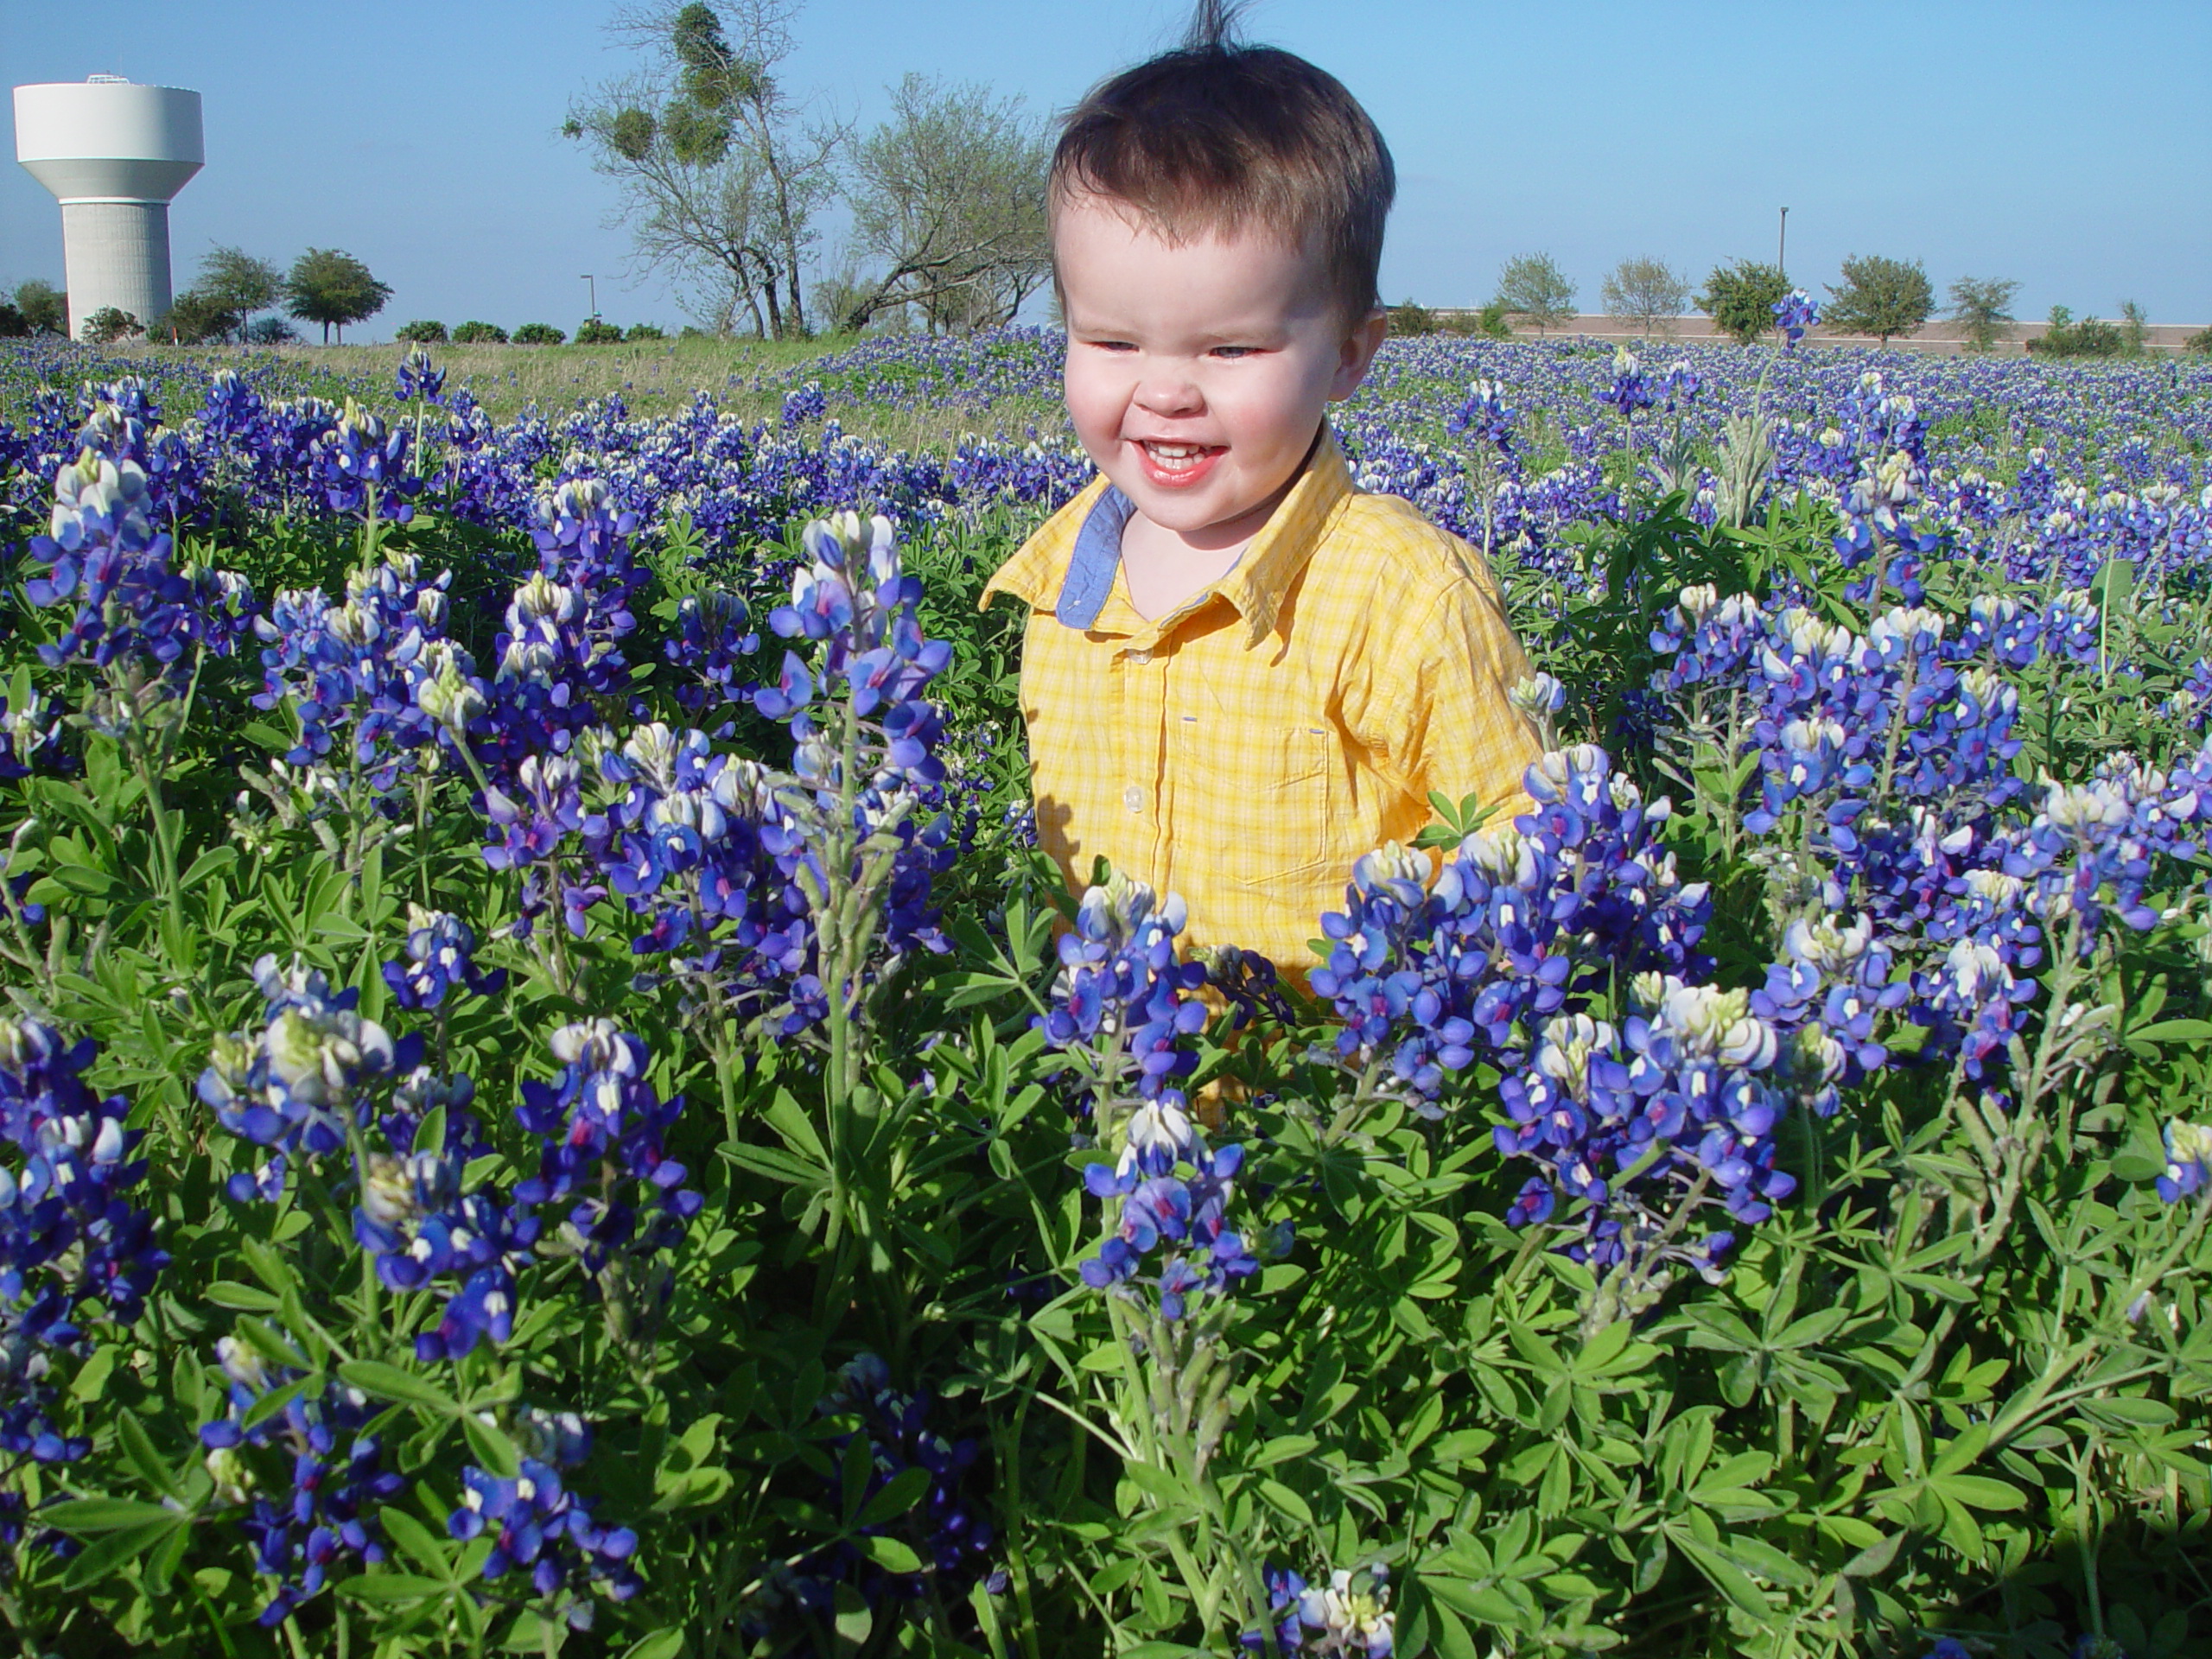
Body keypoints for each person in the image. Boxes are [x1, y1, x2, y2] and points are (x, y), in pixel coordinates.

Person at [982, 1, 1541, 985]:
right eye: (1112, 341)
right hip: (1109, 1082)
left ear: (1350, 354)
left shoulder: (1403, 596)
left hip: (1345, 1106)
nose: (1164, 391)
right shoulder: (1055, 581)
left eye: (1231, 347)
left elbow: (1523, 846)